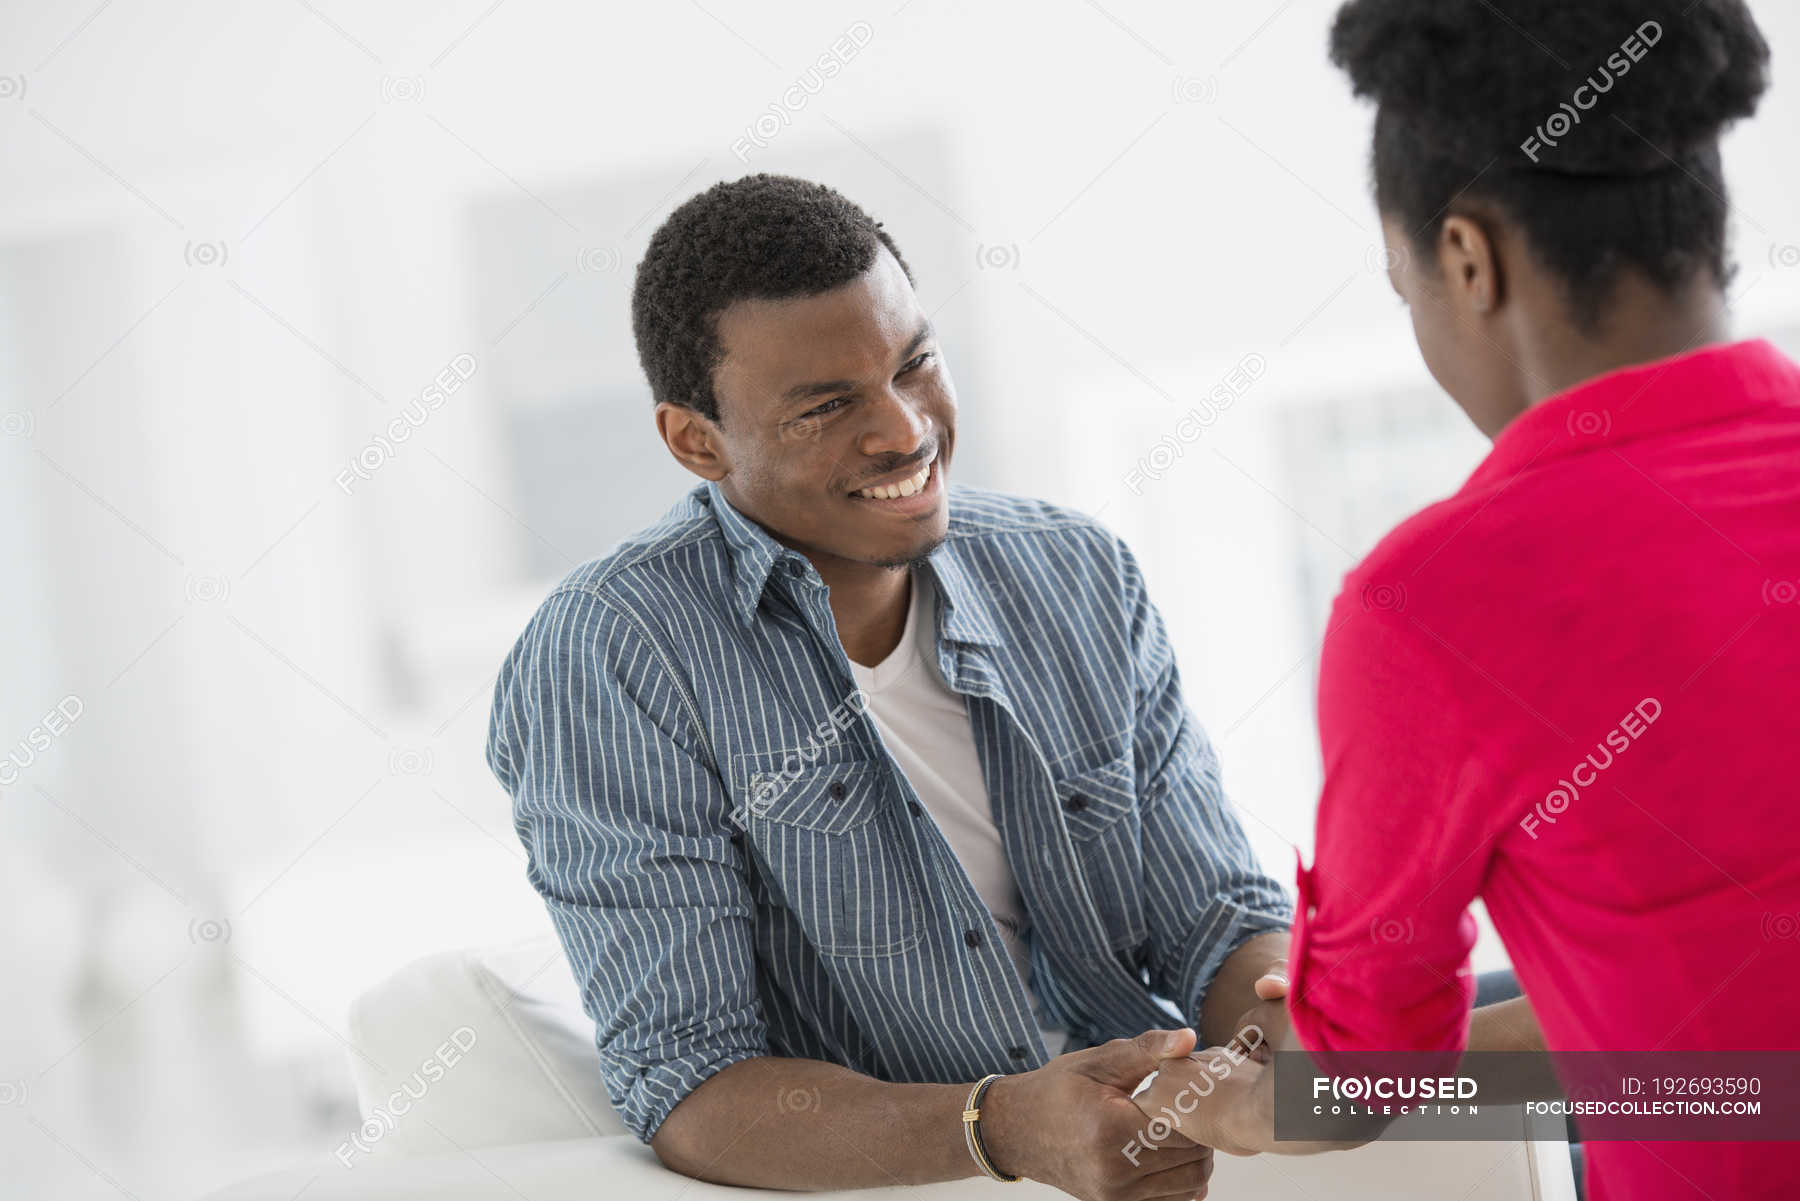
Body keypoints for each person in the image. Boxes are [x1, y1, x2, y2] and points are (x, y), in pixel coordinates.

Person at [485, 173, 1296, 1200]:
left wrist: (1285, 1032)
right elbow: (693, 1084)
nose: (906, 431)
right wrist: (1005, 1126)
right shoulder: (613, 654)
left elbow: (1217, 920)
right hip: (920, 1171)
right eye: (827, 407)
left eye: (914, 364)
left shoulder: (1075, 569)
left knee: (1499, 1079)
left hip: (1169, 1143)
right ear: (697, 440)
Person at [1133, 3, 1800, 1198]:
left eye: (1408, 290)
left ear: (1467, 261)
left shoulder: (1437, 603)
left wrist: (1235, 1097)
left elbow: (1357, 1080)